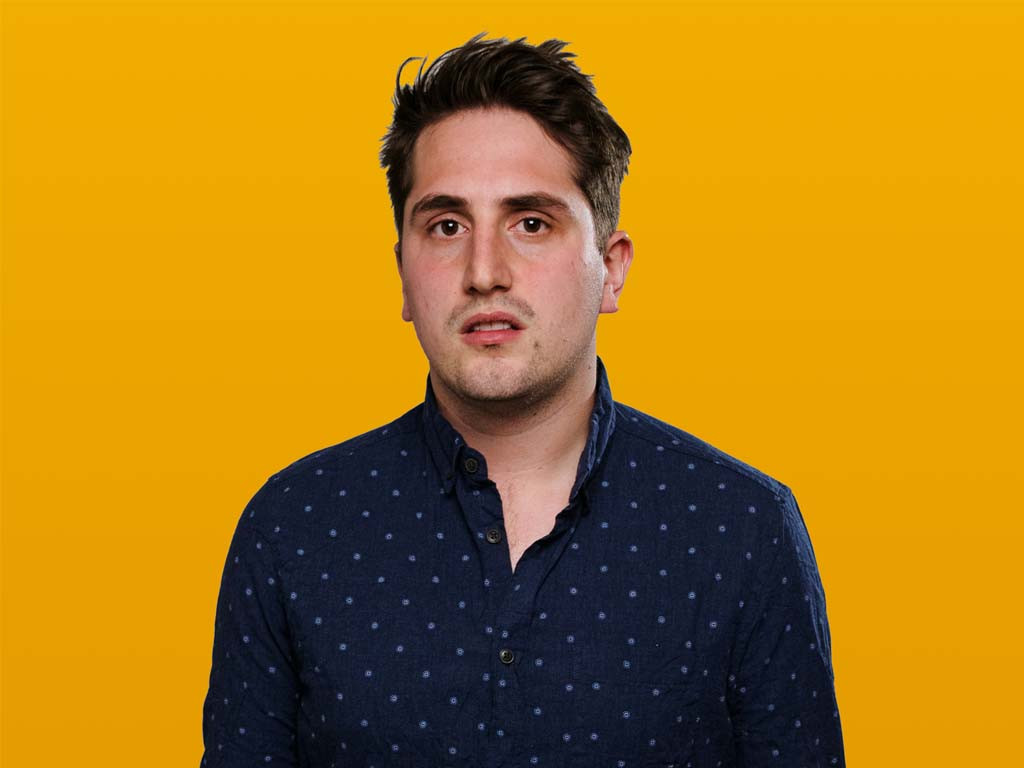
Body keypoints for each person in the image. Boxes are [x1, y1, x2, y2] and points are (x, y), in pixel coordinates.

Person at [199, 33, 845, 767]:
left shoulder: (742, 529)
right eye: (446, 226)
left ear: (611, 269)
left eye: (531, 223)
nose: (484, 271)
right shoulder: (293, 527)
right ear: (404, 274)